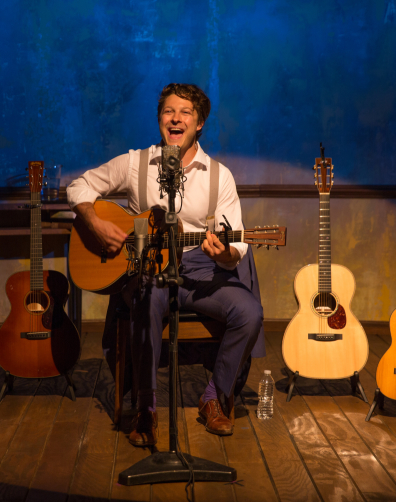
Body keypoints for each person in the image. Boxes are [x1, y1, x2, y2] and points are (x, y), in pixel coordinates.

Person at [67, 83, 263, 446]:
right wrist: (95, 223)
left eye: (185, 112)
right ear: (160, 119)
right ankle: (146, 407)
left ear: (199, 123)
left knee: (249, 313)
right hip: (148, 267)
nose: (176, 119)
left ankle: (214, 397)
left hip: (201, 269)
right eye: (168, 111)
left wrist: (222, 253)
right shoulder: (135, 163)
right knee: (147, 300)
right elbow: (78, 186)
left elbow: (235, 244)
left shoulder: (219, 175)